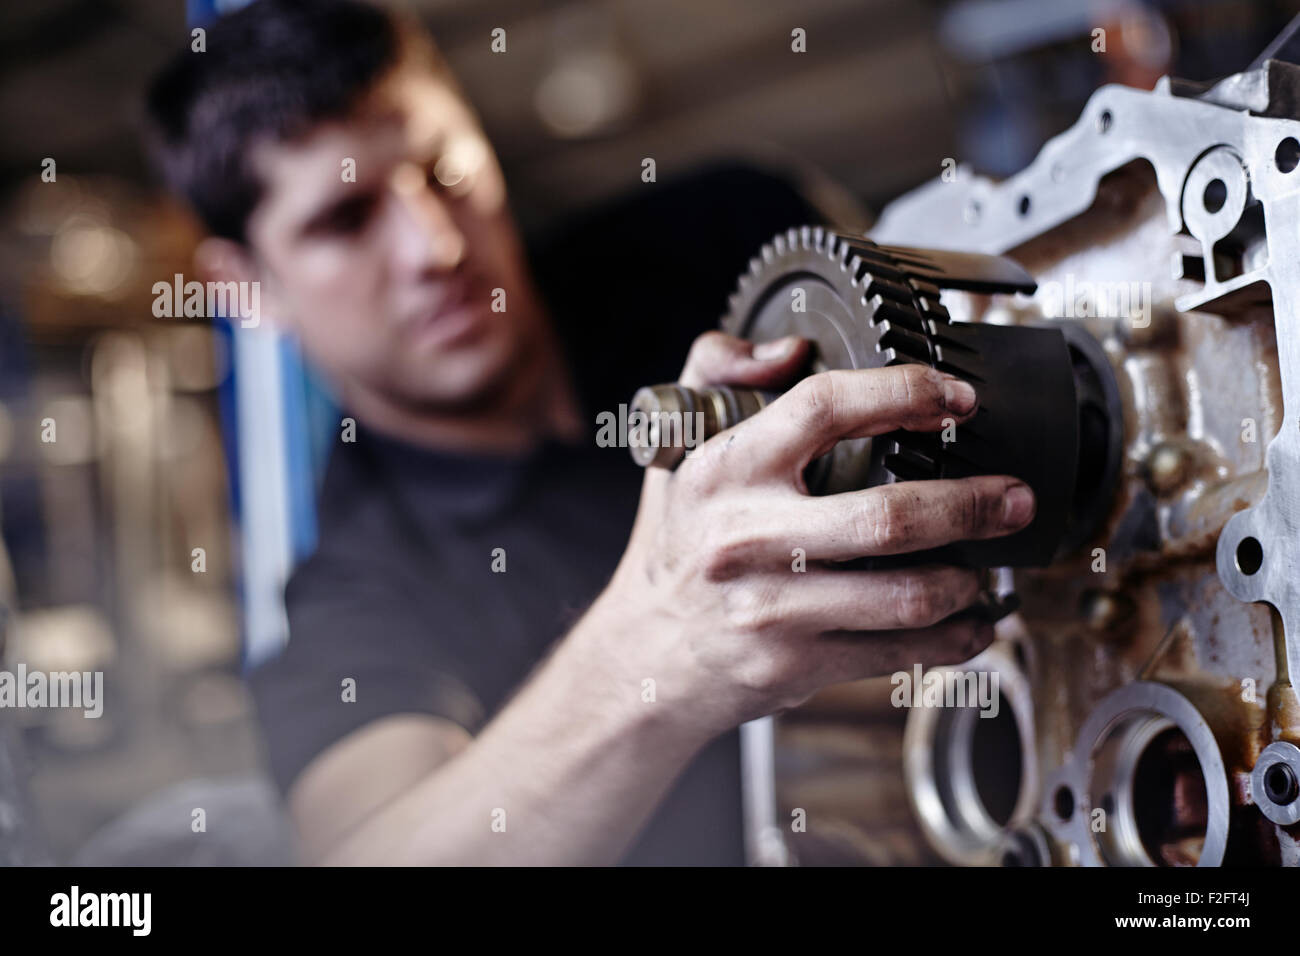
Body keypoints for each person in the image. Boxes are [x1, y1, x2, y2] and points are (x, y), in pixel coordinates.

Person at [144, 0, 1035, 865]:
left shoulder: (723, 229)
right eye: (346, 219)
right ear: (247, 291)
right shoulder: (357, 596)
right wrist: (658, 643)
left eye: (445, 173)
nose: (434, 248)